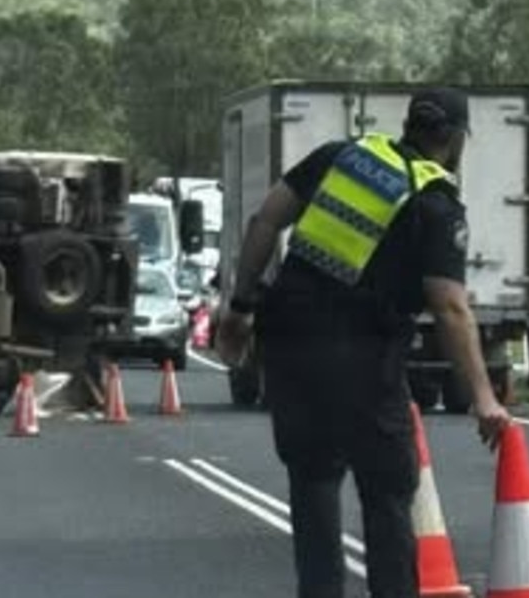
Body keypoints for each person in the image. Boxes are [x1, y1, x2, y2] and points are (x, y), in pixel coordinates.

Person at [215, 87, 512, 598]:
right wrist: (483, 396)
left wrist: (239, 308)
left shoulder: (343, 156)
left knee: (312, 483)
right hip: (364, 359)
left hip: (290, 346)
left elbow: (264, 221)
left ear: (410, 124)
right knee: (388, 493)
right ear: (456, 138)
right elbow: (449, 305)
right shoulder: (435, 203)